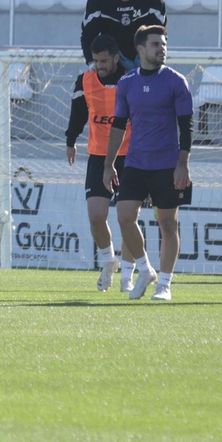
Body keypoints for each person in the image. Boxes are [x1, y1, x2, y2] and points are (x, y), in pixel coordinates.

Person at [100, 26, 193, 301]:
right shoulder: (127, 83)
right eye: (155, 44)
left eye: (163, 44)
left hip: (167, 164)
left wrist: (183, 164)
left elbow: (186, 127)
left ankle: (164, 284)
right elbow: (118, 125)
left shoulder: (176, 82)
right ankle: (145, 268)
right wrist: (109, 164)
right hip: (136, 163)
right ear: (140, 49)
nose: (161, 48)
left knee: (168, 223)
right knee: (124, 217)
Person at [65, 34, 134, 293]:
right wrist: (70, 140)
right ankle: (109, 262)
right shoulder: (85, 80)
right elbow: (79, 113)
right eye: (95, 61)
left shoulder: (131, 79)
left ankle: (128, 275)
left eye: (104, 60)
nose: (99, 66)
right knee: (96, 215)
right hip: (98, 156)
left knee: (128, 218)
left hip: (130, 155)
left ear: (116, 57)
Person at [81, 0, 167, 71]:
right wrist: (91, 62)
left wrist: (155, 60)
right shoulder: (97, 2)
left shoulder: (152, 0)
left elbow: (159, 34)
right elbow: (88, 36)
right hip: (114, 62)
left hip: (144, 58)